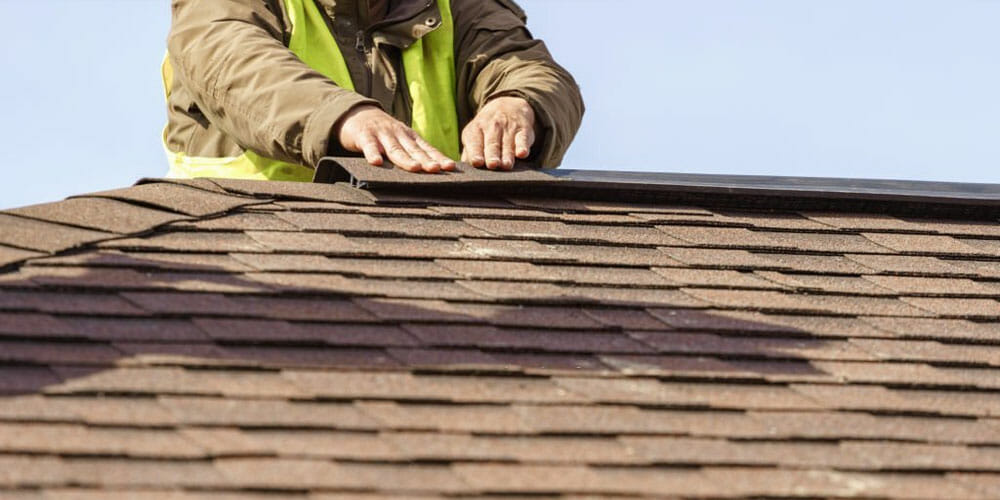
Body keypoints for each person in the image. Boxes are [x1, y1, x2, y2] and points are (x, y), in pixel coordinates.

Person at [163, 0, 584, 180]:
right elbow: (228, 57)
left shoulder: (459, 6)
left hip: (423, 261)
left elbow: (521, 64)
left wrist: (518, 103)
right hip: (245, 258)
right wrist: (342, 117)